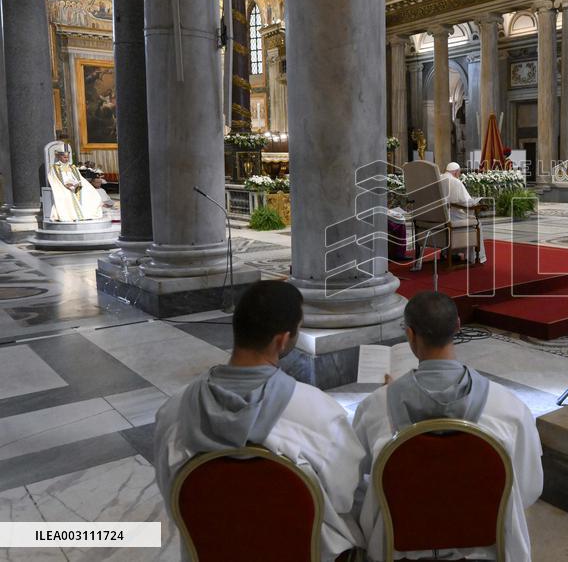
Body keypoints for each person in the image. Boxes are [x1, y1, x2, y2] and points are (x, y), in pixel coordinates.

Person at [153, 281, 364, 560]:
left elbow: (174, 499)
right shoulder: (318, 411)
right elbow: (344, 495)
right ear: (282, 340)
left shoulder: (172, 412)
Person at [352, 291, 543, 562]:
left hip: (396, 547)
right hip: (484, 548)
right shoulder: (510, 408)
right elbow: (527, 488)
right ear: (457, 326)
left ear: (409, 335)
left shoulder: (374, 408)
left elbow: (352, 487)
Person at [441, 161, 487, 264]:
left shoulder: (439, 178)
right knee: (477, 224)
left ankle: (451, 253)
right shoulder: (455, 182)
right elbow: (466, 202)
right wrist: (476, 202)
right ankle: (475, 257)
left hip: (440, 218)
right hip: (453, 218)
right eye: (459, 173)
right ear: (456, 172)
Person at [48, 143, 103, 221]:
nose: (66, 159)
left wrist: (77, 183)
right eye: (64, 157)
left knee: (92, 194)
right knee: (67, 196)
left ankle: (86, 214)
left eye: (67, 157)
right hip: (63, 187)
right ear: (59, 156)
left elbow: (79, 177)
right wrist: (67, 185)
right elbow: (55, 179)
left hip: (75, 186)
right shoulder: (55, 167)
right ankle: (73, 216)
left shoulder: (72, 166)